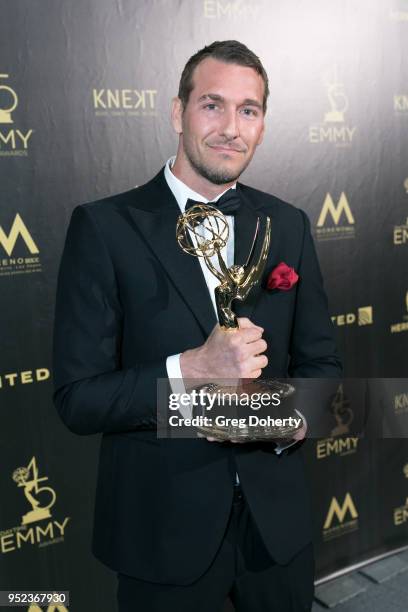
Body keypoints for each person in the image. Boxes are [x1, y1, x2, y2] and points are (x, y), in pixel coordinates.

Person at [52, 40, 342, 612]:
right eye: (212, 105)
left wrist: (281, 419)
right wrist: (190, 369)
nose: (231, 127)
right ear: (176, 113)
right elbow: (78, 400)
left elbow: (323, 365)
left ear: (261, 124)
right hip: (161, 535)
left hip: (276, 531)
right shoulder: (105, 228)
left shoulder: (286, 223)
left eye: (248, 110)